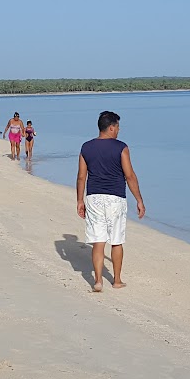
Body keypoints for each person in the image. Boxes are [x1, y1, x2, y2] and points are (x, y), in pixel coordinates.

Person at [75, 110, 146, 292]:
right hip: (115, 198)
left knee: (98, 241)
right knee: (116, 240)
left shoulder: (86, 147)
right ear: (112, 127)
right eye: (118, 127)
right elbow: (129, 176)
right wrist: (139, 199)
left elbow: (81, 177)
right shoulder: (121, 147)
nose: (119, 131)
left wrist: (79, 201)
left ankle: (98, 281)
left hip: (94, 198)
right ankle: (117, 280)